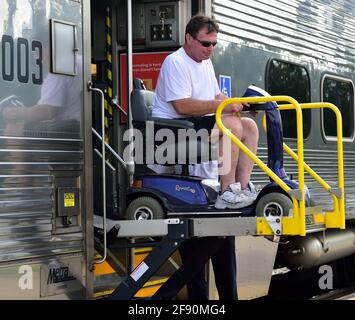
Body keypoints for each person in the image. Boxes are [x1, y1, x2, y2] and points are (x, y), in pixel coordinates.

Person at [152, 14, 259, 300]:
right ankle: (227, 191)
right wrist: (223, 108)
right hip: (172, 133)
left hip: (192, 129)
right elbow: (183, 105)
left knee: (247, 124)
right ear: (188, 38)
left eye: (214, 44)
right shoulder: (175, 62)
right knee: (232, 124)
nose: (210, 49)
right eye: (205, 43)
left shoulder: (206, 62)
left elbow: (214, 99)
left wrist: (235, 105)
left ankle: (242, 186)